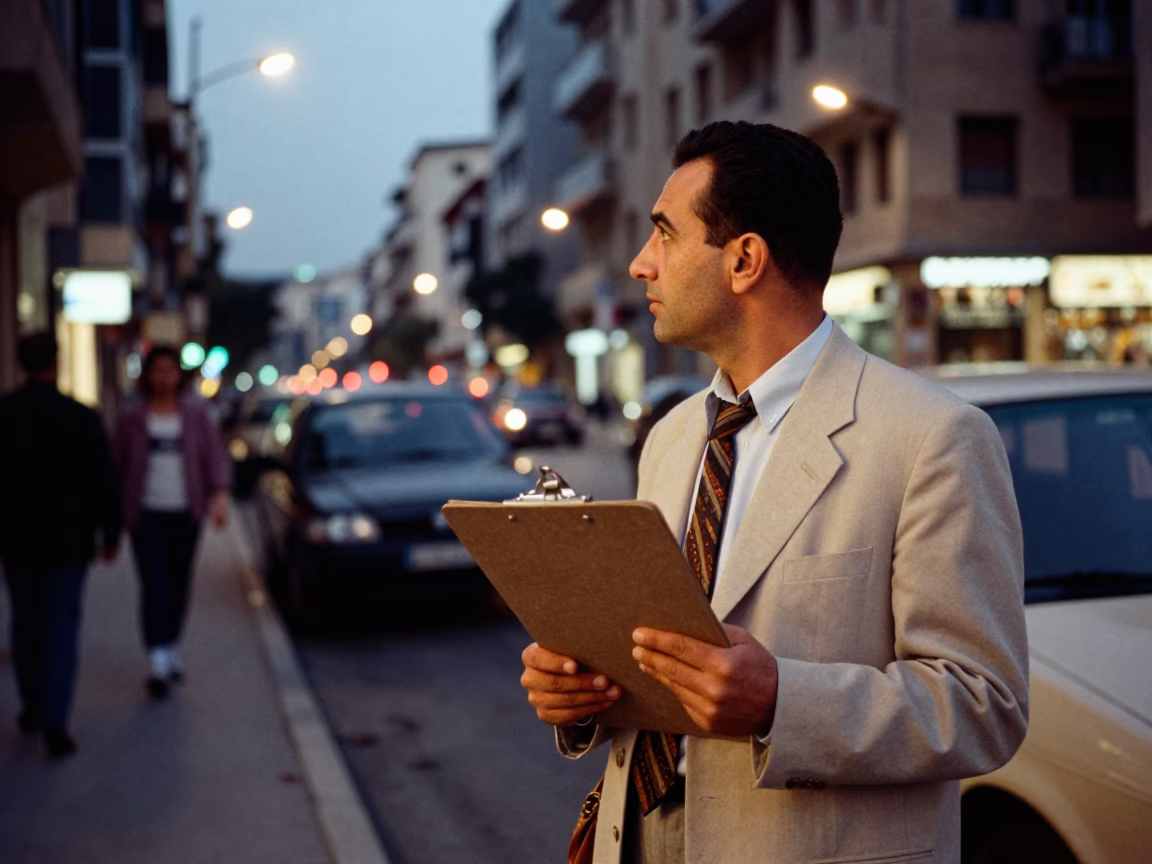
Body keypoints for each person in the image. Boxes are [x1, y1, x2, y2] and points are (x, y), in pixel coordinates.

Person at [520, 121, 1029, 864]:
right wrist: (583, 698)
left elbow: (985, 704)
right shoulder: (670, 437)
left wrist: (782, 701)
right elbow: (659, 655)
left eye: (664, 234)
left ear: (744, 260)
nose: (639, 264)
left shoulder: (932, 436)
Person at [0, 333, 122, 758]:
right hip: (68, 540)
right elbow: (104, 480)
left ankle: (33, 704)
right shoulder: (81, 416)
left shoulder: (6, 414)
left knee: (26, 621)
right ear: (57, 362)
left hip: (16, 539)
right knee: (61, 625)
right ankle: (56, 718)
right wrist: (111, 533)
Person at [114, 346, 230, 698]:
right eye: (157, 370)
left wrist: (219, 497)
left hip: (185, 511)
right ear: (147, 375)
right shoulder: (131, 418)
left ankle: (172, 643)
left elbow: (214, 458)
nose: (164, 377)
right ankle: (157, 657)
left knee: (179, 583)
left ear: (179, 375)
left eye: (170, 370)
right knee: (155, 583)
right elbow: (116, 465)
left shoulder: (196, 416)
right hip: (145, 512)